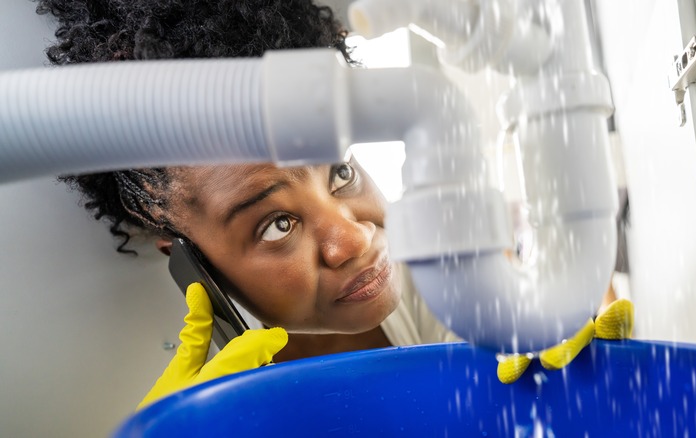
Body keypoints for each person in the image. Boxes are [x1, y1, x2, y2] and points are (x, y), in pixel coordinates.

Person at [36, 0, 462, 405]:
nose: (353, 239)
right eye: (278, 224)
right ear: (187, 254)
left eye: (342, 173)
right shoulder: (196, 391)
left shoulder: (442, 275)